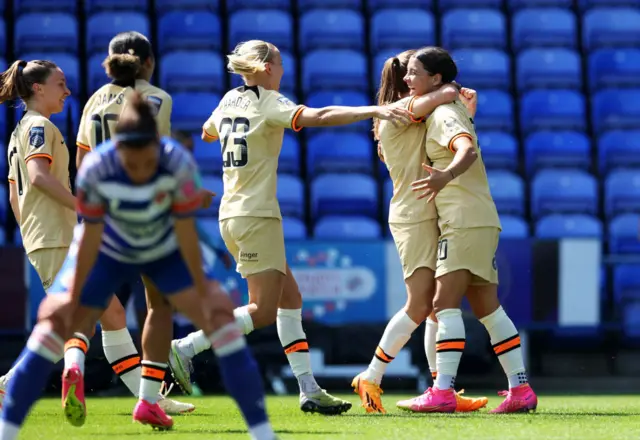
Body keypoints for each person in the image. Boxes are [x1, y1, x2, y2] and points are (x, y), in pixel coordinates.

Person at [0, 92, 278, 440]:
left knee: (219, 315)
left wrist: (201, 288)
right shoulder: (98, 167)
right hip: (110, 251)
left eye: (146, 155)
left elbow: (185, 232)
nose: (139, 166)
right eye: (130, 155)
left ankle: (263, 433)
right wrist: (72, 294)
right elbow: (89, 239)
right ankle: (6, 432)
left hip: (160, 250)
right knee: (54, 320)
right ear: (119, 146)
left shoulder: (177, 162)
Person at [166, 39, 412, 415]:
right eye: (280, 63)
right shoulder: (269, 101)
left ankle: (309, 389)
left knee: (290, 300)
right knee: (262, 311)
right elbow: (322, 115)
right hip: (256, 214)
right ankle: (186, 347)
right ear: (266, 68)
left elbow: (206, 132)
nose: (283, 69)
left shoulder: (229, 100)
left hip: (234, 212)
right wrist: (375, 109)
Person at [401, 46, 537, 413]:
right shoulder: (452, 109)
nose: (407, 79)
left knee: (441, 306)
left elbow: (467, 150)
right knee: (487, 308)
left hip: (462, 220)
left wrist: (445, 175)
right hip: (478, 218)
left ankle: (443, 391)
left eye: (414, 72)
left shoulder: (443, 112)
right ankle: (521, 390)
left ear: (436, 79)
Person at [351, 49, 488, 414]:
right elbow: (435, 101)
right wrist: (449, 91)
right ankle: (372, 375)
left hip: (428, 212)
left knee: (433, 310)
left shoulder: (412, 113)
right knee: (420, 304)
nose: (415, 78)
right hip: (413, 215)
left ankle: (441, 389)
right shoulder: (397, 113)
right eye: (410, 73)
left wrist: (463, 109)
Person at [73, 31, 192, 415]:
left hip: (102, 217)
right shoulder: (156, 99)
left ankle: (70, 365)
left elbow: (82, 165)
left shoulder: (93, 101)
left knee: (97, 305)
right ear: (149, 62)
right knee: (158, 304)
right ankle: (149, 398)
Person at [0, 59, 76, 409]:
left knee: (111, 313)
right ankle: (9, 384)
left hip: (44, 235)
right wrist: (82, 206)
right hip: (54, 235)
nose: (68, 91)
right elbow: (38, 176)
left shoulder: (18, 131)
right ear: (38, 88)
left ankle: (148, 396)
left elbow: (15, 195)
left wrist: (30, 231)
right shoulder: (39, 127)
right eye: (60, 84)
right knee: (70, 324)